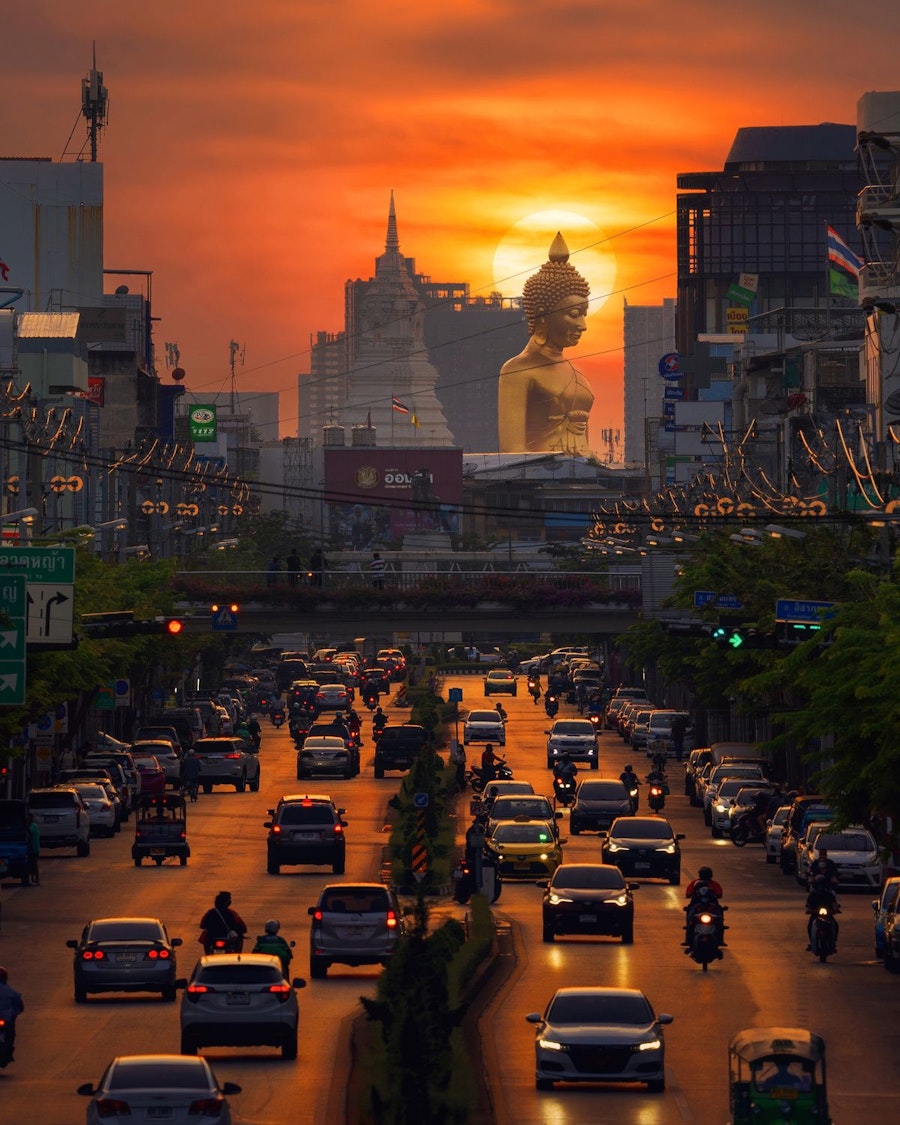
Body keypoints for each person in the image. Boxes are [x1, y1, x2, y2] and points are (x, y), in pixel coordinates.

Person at [498, 232, 593, 454]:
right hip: (538, 472)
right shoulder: (518, 370)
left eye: (584, 314)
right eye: (574, 314)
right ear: (542, 315)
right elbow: (512, 450)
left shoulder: (578, 374)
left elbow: (584, 446)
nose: (582, 325)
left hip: (583, 471)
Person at [805, 874, 840, 950]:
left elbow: (834, 904)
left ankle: (833, 942)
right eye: (819, 885)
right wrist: (808, 910)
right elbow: (808, 905)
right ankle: (812, 942)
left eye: (822, 884)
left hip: (828, 916)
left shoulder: (829, 895)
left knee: (835, 925)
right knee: (810, 925)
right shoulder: (812, 895)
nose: (821, 886)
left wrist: (835, 909)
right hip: (815, 916)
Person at [0, 967, 24, 1060]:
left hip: (6, 1021)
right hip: (6, 1021)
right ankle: (8, 1053)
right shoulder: (11, 992)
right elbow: (20, 1007)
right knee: (11, 1033)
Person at [26, 813, 40, 886]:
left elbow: (29, 830)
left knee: (34, 865)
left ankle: (37, 880)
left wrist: (26, 824)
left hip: (34, 849)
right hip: (31, 848)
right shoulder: (33, 826)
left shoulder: (33, 826)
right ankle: (33, 879)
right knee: (31, 865)